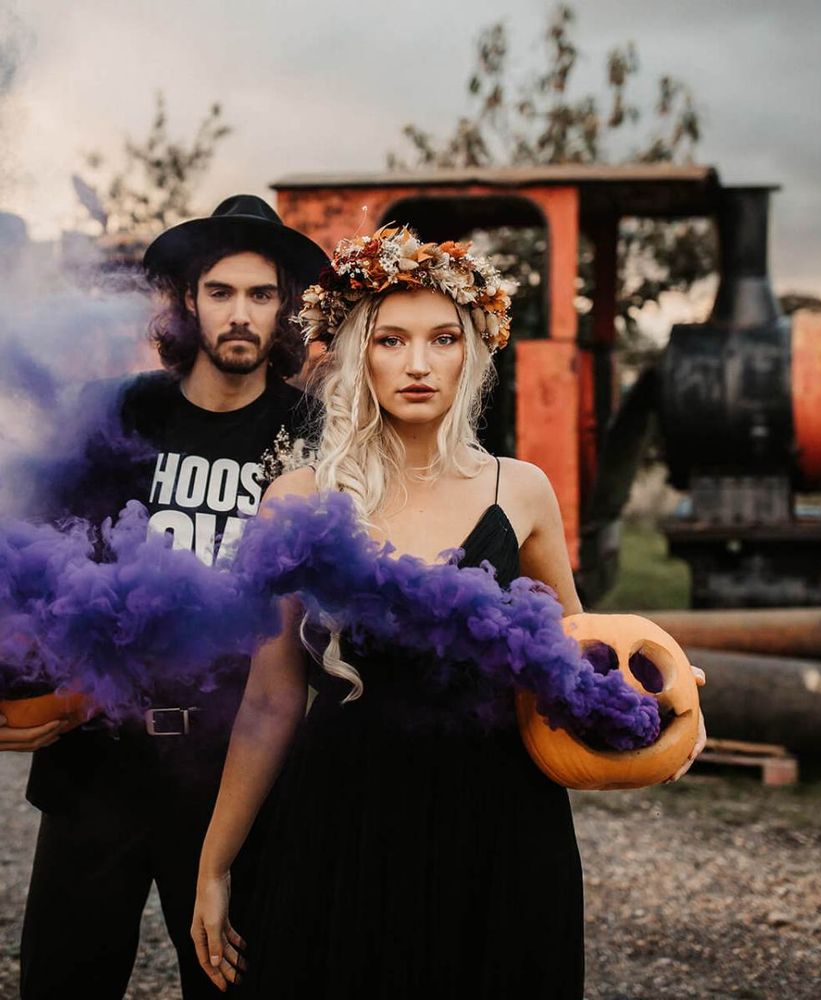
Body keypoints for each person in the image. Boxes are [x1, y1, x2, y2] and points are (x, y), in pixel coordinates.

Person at [191, 226, 707, 997]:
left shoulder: (520, 489)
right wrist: (215, 864)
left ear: (472, 353)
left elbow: (576, 650)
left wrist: (660, 705)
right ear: (359, 352)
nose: (419, 364)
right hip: (344, 820)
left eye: (442, 339)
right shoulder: (297, 499)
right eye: (392, 340)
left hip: (499, 823)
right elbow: (269, 701)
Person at [5, 195, 328, 1000]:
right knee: (61, 981)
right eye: (222, 292)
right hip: (99, 762)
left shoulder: (315, 435)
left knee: (236, 987)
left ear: (285, 306)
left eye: (261, 295)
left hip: (234, 770)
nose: (241, 315)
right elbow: (29, 568)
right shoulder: (116, 413)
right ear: (189, 300)